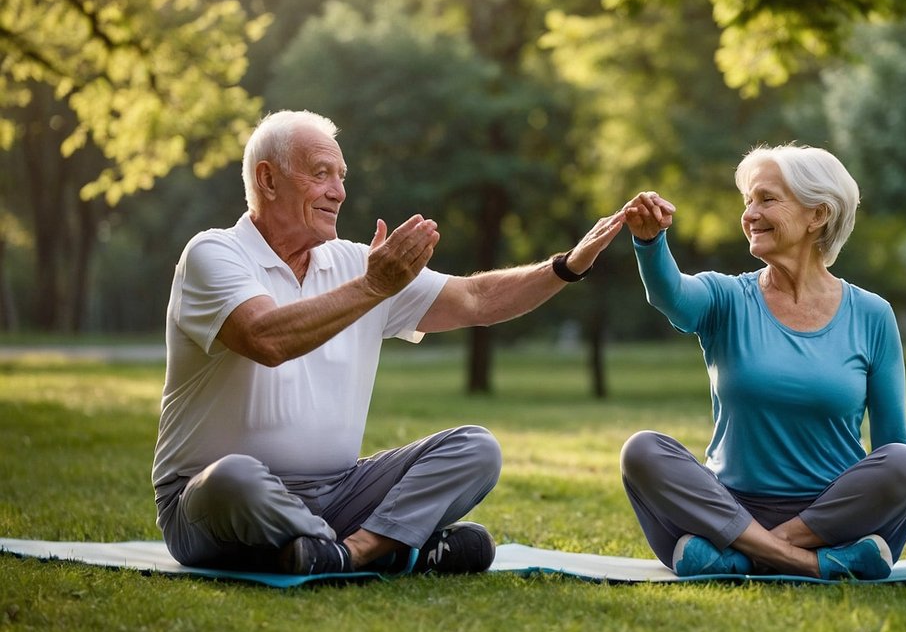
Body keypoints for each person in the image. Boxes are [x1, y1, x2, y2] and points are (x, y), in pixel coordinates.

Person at [153, 109, 624, 576]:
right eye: (321, 175)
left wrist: (567, 265)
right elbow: (266, 337)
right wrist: (373, 287)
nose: (338, 192)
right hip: (210, 503)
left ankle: (351, 551)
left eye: (341, 177)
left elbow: (477, 299)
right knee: (234, 478)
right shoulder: (213, 254)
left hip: (340, 492)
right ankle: (397, 549)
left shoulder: (359, 265)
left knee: (476, 449)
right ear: (268, 180)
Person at [618, 144, 906, 580]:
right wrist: (650, 242)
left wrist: (879, 497)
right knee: (642, 450)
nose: (750, 214)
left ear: (816, 214)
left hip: (829, 516)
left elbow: (893, 445)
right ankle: (814, 565)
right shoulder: (727, 298)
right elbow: (672, 296)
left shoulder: (872, 315)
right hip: (726, 507)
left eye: (767, 199)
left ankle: (739, 557)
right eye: (748, 202)